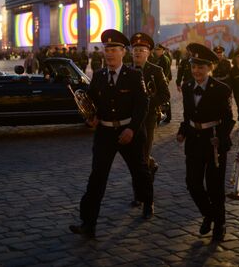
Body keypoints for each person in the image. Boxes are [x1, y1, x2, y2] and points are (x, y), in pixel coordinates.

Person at [70, 29, 154, 239]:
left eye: (114, 49)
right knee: (97, 178)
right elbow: (90, 104)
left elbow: (142, 106)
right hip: (105, 134)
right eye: (107, 50)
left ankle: (147, 200)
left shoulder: (134, 76)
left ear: (123, 52)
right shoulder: (98, 77)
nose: (109, 54)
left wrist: (132, 129)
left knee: (139, 172)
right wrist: (90, 118)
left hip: (129, 133)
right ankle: (88, 223)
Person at [176, 43, 234, 242]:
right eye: (193, 67)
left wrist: (223, 137)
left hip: (214, 142)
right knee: (192, 184)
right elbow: (187, 114)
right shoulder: (187, 86)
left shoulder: (221, 89)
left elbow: (229, 119)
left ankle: (220, 223)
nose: (196, 71)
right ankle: (209, 214)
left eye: (201, 67)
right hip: (193, 141)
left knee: (215, 187)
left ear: (210, 68)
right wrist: (182, 131)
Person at [129, 32, 170, 207]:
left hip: (148, 119)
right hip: (130, 121)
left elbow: (165, 95)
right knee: (134, 158)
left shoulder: (156, 70)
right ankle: (151, 166)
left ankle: (143, 197)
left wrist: (146, 103)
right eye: (135, 49)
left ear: (148, 53)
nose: (137, 52)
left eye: (141, 50)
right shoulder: (127, 71)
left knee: (142, 157)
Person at [154, 44, 172, 123]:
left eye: (158, 49)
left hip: (162, 81)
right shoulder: (160, 58)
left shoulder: (163, 59)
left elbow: (164, 72)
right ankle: (166, 116)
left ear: (162, 50)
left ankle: (167, 116)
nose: (156, 51)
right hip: (163, 80)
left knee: (164, 98)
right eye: (156, 49)